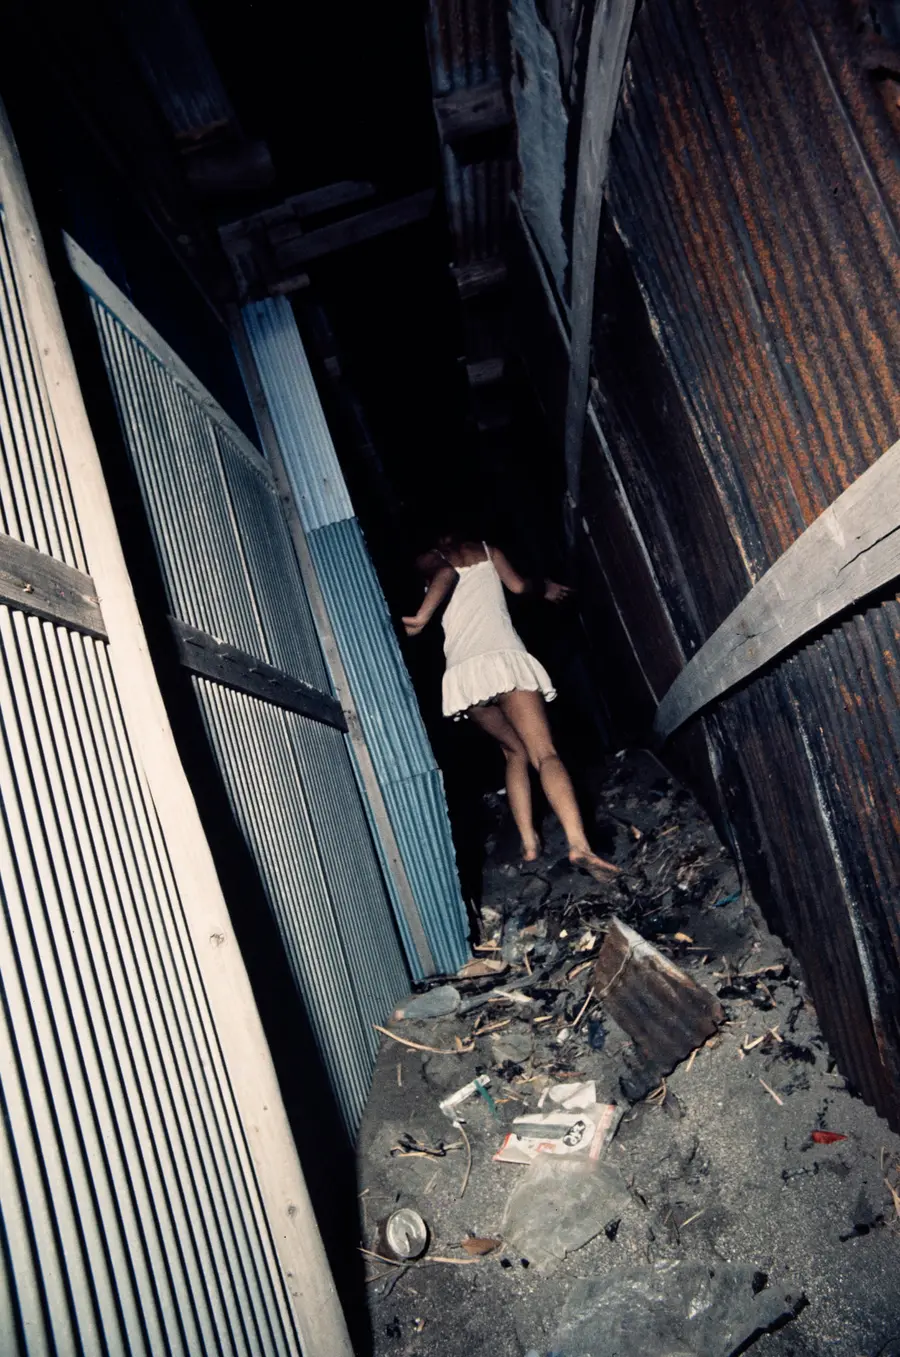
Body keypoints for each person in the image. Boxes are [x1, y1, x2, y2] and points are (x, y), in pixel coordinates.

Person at [402, 535, 618, 880]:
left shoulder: (429, 557)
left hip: (467, 673)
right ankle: (579, 845)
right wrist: (544, 586)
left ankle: (530, 844)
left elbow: (444, 574)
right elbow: (518, 587)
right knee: (545, 754)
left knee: (513, 752)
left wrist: (422, 617)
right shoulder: (488, 549)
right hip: (505, 659)